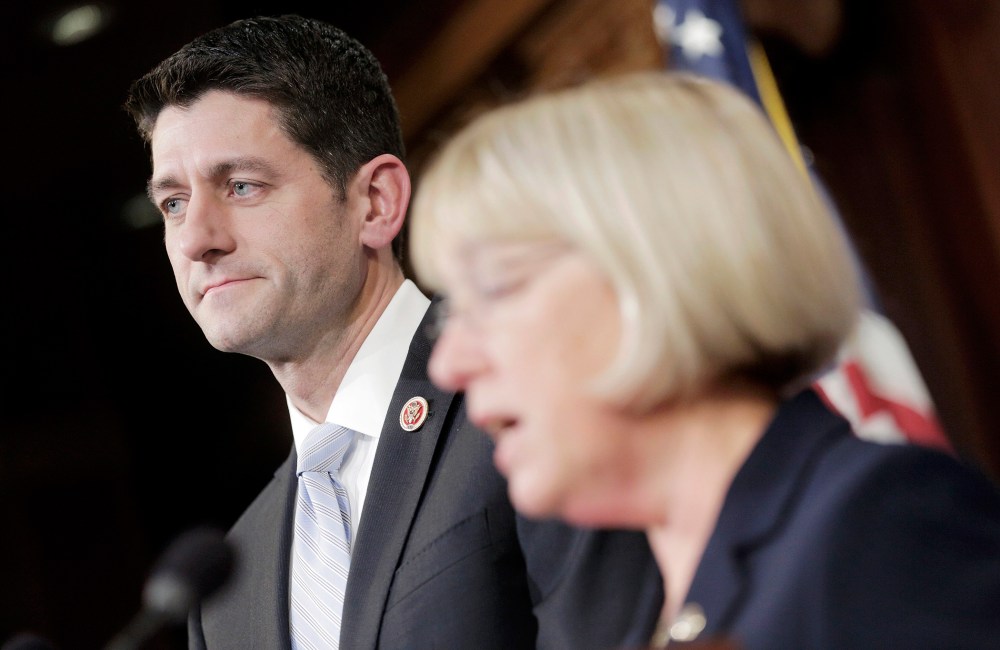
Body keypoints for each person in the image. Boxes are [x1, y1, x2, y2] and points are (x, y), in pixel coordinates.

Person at [123, 14, 663, 650]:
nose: (195, 240)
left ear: (375, 202)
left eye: (241, 186)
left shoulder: (534, 401)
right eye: (173, 204)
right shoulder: (224, 595)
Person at [408, 70, 1000, 649]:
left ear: (655, 267)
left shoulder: (878, 529)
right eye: (449, 313)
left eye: (494, 289)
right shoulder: (656, 616)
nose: (449, 365)